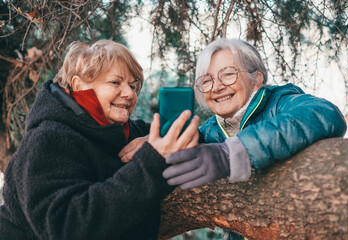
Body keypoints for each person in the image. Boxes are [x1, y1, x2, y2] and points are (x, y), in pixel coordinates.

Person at [0, 39, 199, 240]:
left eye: (133, 85)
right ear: (80, 86)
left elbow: (196, 137)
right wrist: (152, 163)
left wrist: (155, 141)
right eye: (115, 82)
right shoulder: (47, 139)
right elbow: (67, 227)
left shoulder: (129, 131)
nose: (130, 93)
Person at [162, 38, 347, 190]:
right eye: (208, 80)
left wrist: (234, 153)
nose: (216, 87)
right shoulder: (210, 130)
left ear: (257, 80)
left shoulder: (278, 102)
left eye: (227, 74)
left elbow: (327, 114)